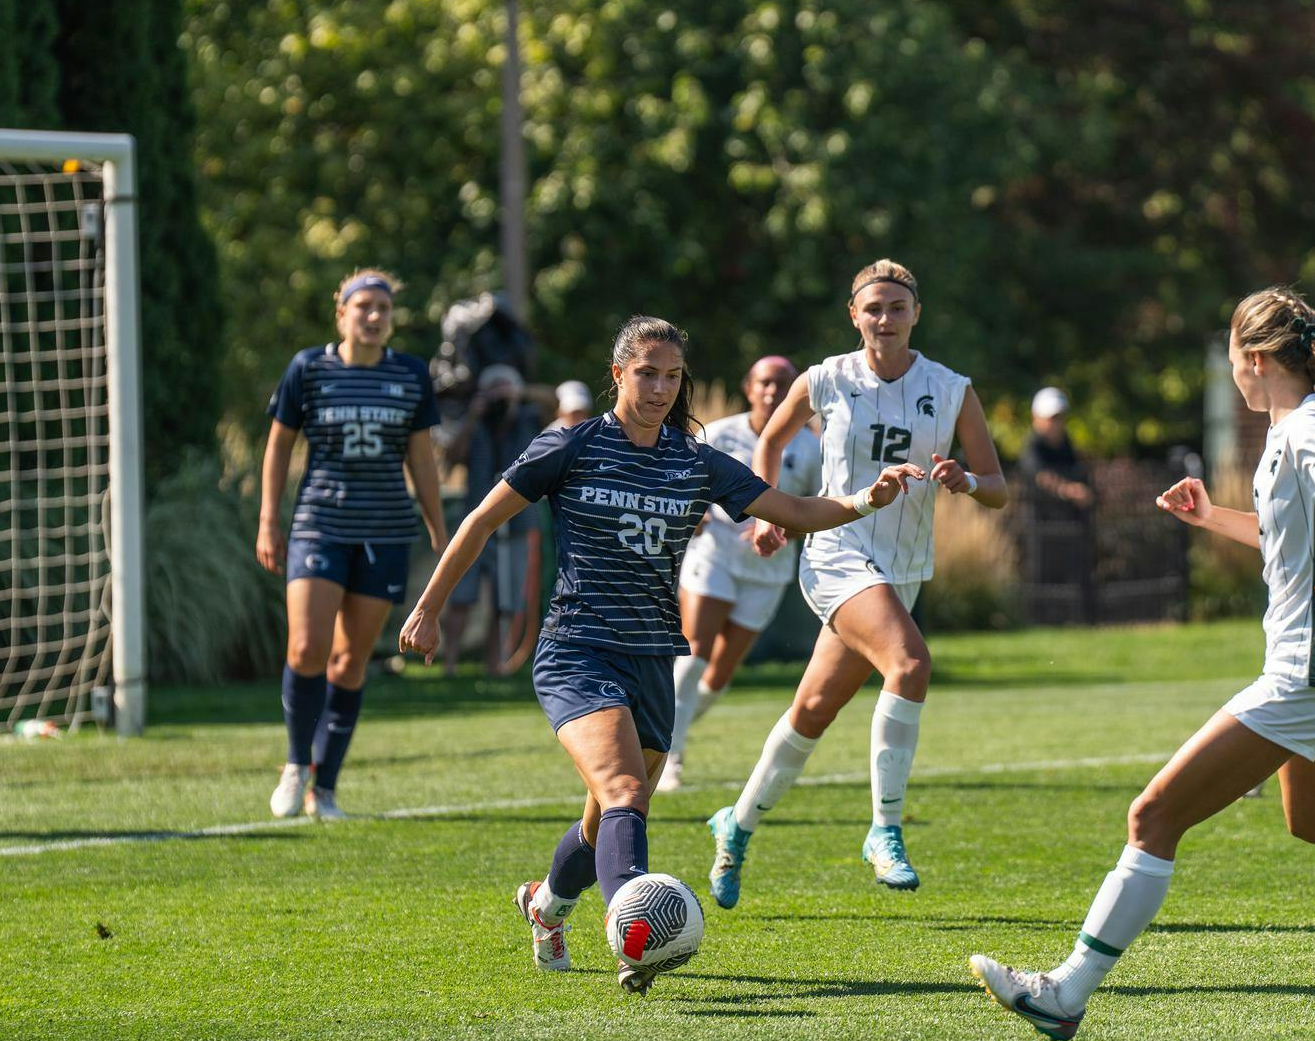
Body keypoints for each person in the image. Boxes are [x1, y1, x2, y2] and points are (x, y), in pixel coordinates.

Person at [968, 288, 1315, 1041]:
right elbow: (1288, 531)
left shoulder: (1311, 425)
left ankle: (1066, 992)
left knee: (1153, 815)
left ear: (1256, 360)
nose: (1233, 375)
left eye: (1233, 362)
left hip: (1309, 671)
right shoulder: (1295, 426)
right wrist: (1207, 517)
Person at [398, 315, 923, 994]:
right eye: (646, 372)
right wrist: (429, 606)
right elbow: (480, 520)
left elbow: (791, 509)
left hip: (652, 657)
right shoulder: (572, 444)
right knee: (623, 794)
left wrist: (862, 499)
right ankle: (635, 940)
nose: (658, 387)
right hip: (579, 651)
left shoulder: (693, 459)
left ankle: (545, 904)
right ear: (617, 373)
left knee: (604, 819)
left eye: (672, 376)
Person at [705, 259, 1008, 907]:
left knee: (813, 710)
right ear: (854, 315)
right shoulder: (827, 378)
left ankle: (738, 822)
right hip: (837, 550)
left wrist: (969, 482)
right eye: (873, 308)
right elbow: (770, 438)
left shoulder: (951, 388)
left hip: (903, 568)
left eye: (897, 308)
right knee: (910, 662)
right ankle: (885, 829)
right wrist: (767, 509)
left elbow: (998, 486)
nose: (885, 319)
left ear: (916, 314)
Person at [256, 269, 447, 820]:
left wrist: (438, 527)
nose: (373, 316)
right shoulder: (307, 368)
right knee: (306, 649)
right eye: (362, 306)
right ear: (340, 313)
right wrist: (270, 520)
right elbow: (278, 446)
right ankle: (296, 763)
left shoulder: (411, 374)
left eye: (382, 308)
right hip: (320, 525)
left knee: (350, 661)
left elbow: (422, 459)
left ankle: (327, 787)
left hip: (385, 531)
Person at [657, 355, 823, 793]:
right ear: (749, 387)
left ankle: (662, 733)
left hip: (768, 568)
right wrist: (691, 515)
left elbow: (817, 508)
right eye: (765, 382)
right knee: (695, 652)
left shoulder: (810, 446)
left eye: (783, 383)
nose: (772, 391)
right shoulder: (720, 433)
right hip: (714, 555)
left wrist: (781, 527)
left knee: (720, 674)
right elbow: (679, 479)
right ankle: (667, 757)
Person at [437, 363, 543, 678]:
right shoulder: (476, 423)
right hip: (476, 520)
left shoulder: (527, 418)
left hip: (518, 522)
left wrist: (518, 394)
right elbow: (451, 457)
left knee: (506, 599)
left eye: (502, 388)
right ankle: (449, 663)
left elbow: (554, 400)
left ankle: (495, 665)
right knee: (462, 595)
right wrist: (473, 415)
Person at [1018, 385, 1096, 623]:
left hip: (1068, 524)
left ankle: (1074, 619)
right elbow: (1040, 476)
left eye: (1060, 418)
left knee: (1072, 576)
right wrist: (1071, 491)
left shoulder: (1067, 445)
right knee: (1043, 577)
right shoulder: (1033, 447)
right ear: (1037, 418)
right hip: (1040, 525)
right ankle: (1042, 620)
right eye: (1052, 418)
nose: (1056, 424)